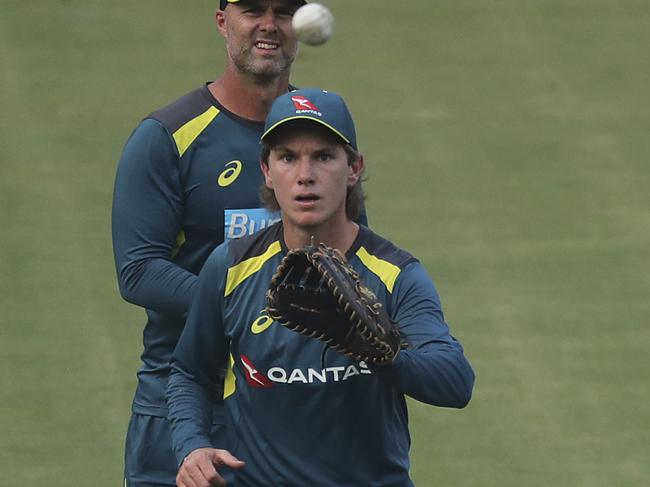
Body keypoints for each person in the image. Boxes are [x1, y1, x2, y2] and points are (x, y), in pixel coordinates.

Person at [167, 88, 475, 487]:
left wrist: (384, 356)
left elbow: (455, 383)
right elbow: (190, 373)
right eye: (288, 157)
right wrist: (192, 445)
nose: (305, 175)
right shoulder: (230, 267)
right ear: (266, 170)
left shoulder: (395, 275)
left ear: (354, 169)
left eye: (324, 157)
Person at [110, 1, 343, 485]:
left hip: (291, 412)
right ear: (223, 21)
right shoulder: (168, 137)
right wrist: (256, 306)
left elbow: (349, 256)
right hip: (183, 410)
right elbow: (139, 271)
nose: (268, 25)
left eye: (283, 12)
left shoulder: (321, 137)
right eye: (251, 9)